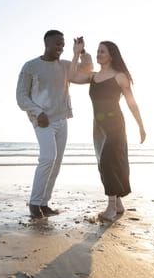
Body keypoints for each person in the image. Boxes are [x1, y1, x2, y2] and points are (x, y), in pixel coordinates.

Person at [16, 30, 92, 219]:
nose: (61, 47)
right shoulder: (31, 66)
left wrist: (82, 52)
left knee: (56, 163)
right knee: (48, 157)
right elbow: (21, 96)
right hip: (42, 120)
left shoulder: (66, 66)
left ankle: (44, 203)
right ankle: (34, 204)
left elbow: (86, 70)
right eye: (57, 44)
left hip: (61, 119)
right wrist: (37, 112)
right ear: (47, 43)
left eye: (63, 44)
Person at [71, 40, 146, 222]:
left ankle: (111, 207)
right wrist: (77, 53)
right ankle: (118, 203)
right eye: (97, 51)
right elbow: (71, 76)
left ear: (111, 55)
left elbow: (131, 103)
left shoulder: (120, 76)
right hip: (99, 126)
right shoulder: (93, 77)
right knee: (104, 163)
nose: (98, 54)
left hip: (115, 124)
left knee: (107, 161)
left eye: (102, 51)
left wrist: (141, 126)